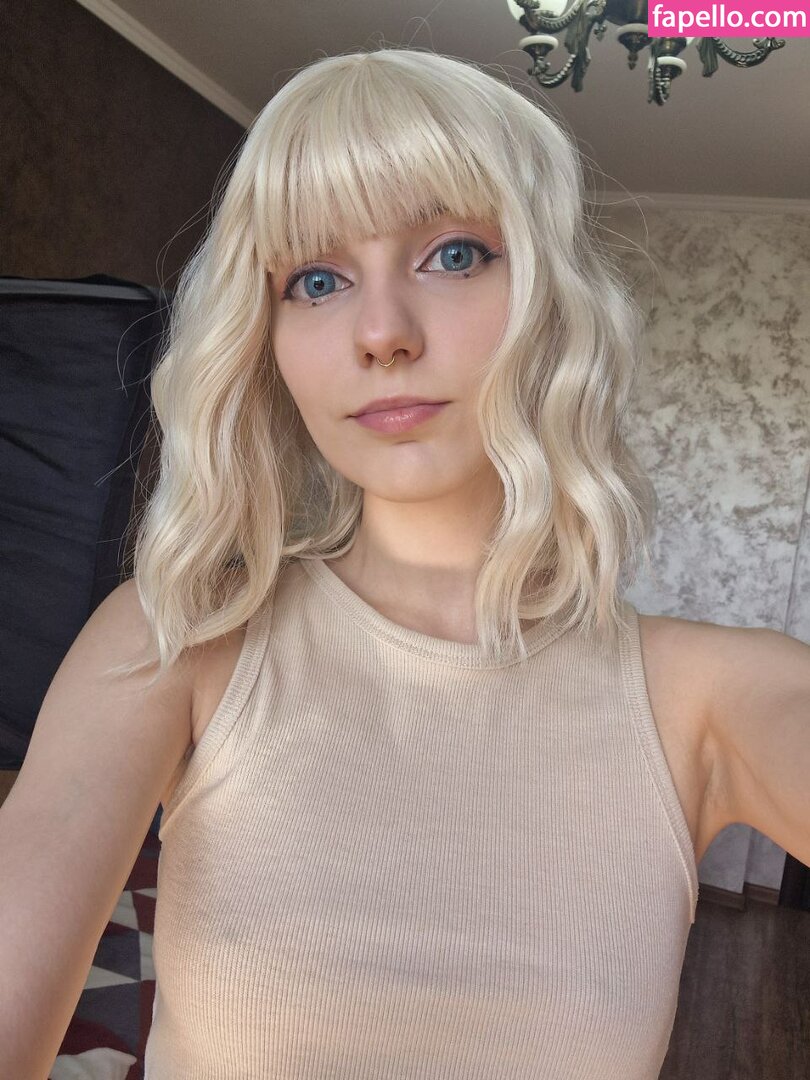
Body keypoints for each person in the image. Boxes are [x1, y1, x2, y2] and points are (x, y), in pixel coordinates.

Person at [2, 46, 808, 1080]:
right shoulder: (180, 636)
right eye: (317, 280)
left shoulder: (711, 696)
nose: (381, 333)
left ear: (550, 299)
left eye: (454, 254)